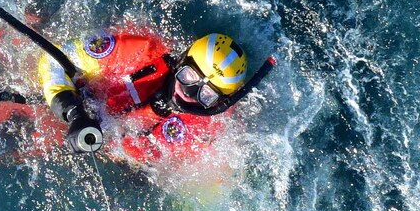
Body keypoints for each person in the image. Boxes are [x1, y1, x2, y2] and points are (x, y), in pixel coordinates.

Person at [39, 32, 271, 163]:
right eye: (188, 75)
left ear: (219, 102)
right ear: (180, 60)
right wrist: (72, 111)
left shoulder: (211, 131)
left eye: (206, 94)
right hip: (78, 117)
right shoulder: (141, 51)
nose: (187, 92)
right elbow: (52, 59)